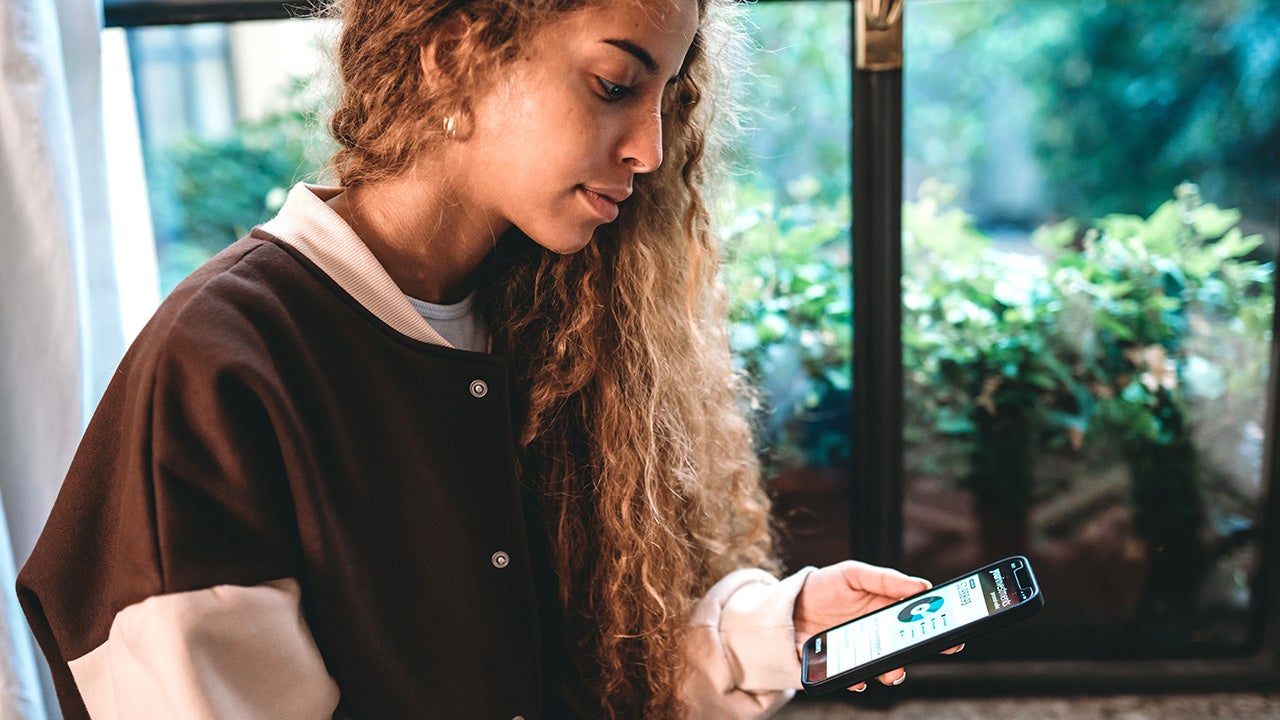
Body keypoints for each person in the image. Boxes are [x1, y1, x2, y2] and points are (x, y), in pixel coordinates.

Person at [17, 0, 952, 717]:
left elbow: (592, 667)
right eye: (615, 84)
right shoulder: (220, 368)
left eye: (668, 97)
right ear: (454, 55)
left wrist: (782, 627)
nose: (652, 149)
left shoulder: (552, 326)